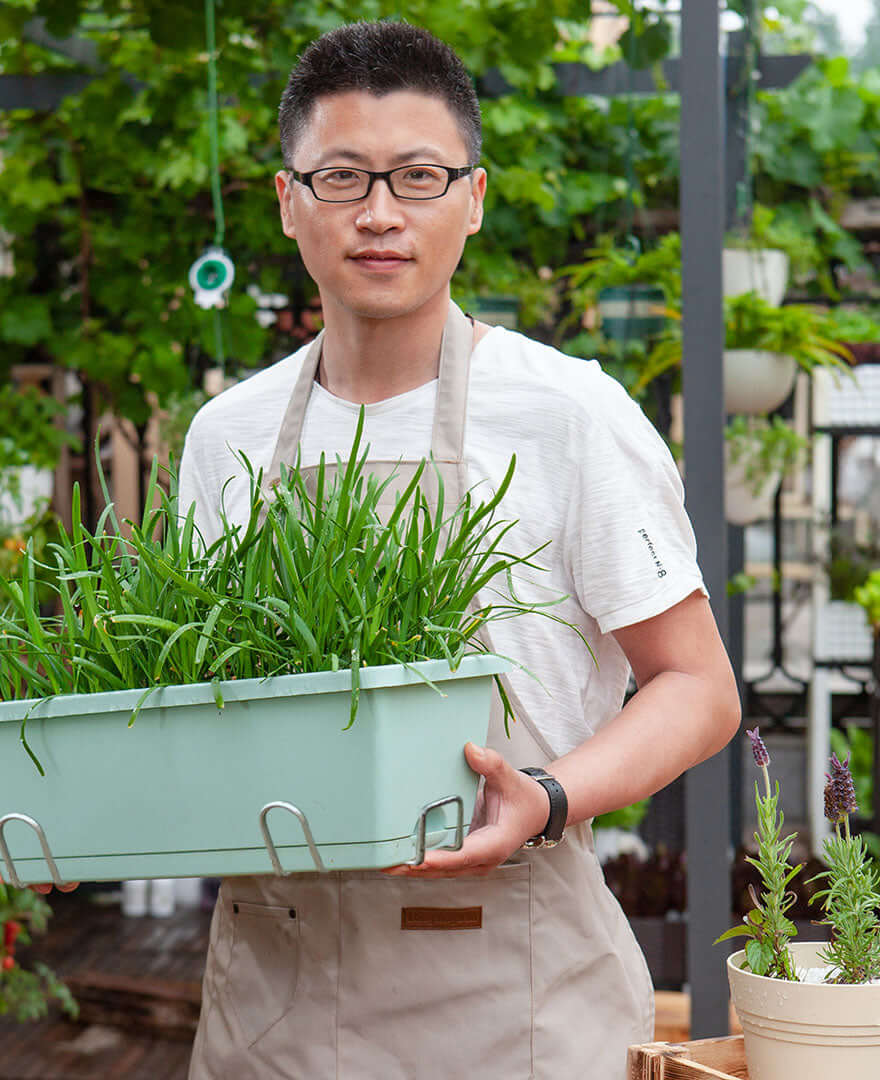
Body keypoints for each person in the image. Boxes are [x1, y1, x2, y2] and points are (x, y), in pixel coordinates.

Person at [175, 19, 741, 1080]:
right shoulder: (229, 437)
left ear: (472, 201)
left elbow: (699, 690)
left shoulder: (568, 415)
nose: (380, 212)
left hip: (510, 989)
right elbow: (204, 710)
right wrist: (88, 805)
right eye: (341, 177)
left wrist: (552, 793)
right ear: (287, 202)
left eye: (419, 176)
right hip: (278, 995)